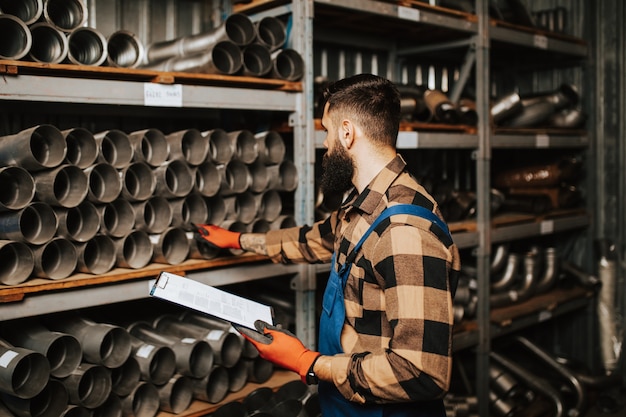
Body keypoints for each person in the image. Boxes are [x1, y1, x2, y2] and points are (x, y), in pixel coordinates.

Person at [195, 73, 461, 417]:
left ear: (347, 133)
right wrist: (237, 240)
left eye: (326, 131)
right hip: (345, 404)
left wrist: (309, 362)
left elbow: (421, 373)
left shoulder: (404, 230)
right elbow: (313, 239)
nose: (325, 143)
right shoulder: (366, 205)